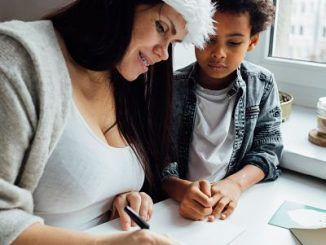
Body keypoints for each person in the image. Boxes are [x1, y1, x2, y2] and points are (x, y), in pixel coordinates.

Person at [0, 0, 216, 244]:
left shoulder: (124, 78)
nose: (164, 54)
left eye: (173, 42)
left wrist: (127, 198)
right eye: (161, 27)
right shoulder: (16, 59)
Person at [162, 0, 283, 222]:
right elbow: (154, 158)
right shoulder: (170, 87)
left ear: (252, 41)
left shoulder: (262, 84)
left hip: (230, 209)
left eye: (234, 42)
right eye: (209, 39)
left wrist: (234, 185)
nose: (219, 53)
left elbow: (268, 151)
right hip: (172, 208)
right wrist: (183, 191)